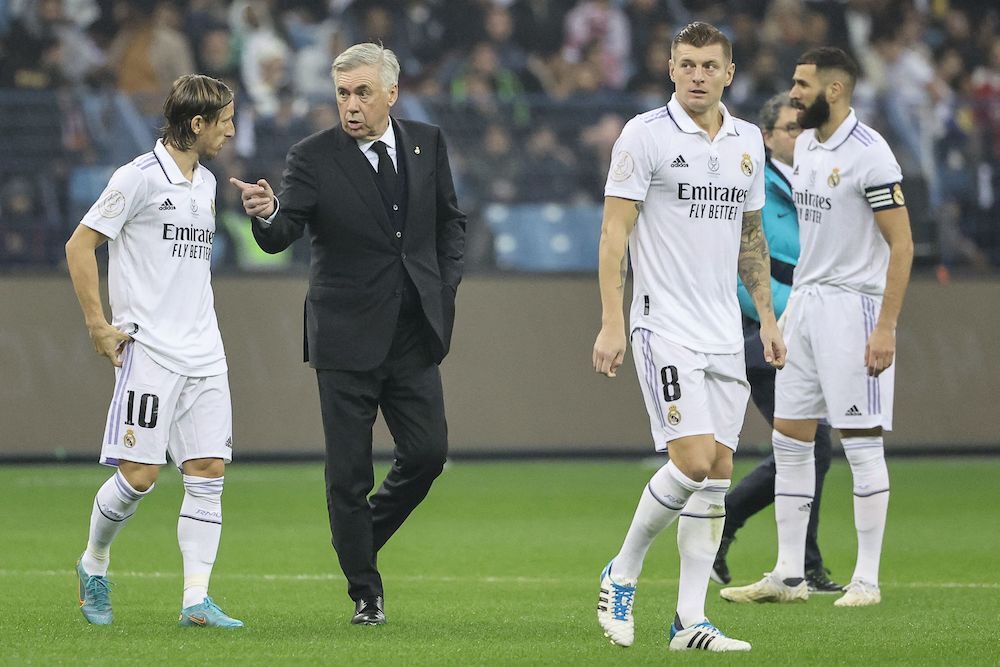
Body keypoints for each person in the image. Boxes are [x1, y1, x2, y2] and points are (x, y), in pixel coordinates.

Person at [229, 43, 465, 626]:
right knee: (348, 473)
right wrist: (264, 211)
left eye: (363, 93)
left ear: (392, 93)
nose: (351, 105)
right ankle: (366, 591)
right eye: (342, 94)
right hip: (344, 337)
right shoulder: (312, 157)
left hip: (412, 332)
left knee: (429, 454)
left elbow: (449, 222)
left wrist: (443, 287)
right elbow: (283, 232)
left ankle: (355, 540)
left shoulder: (426, 143)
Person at [592, 22, 785, 653]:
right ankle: (621, 573)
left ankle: (688, 621)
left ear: (729, 73)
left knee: (719, 473)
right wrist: (612, 321)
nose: (697, 75)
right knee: (693, 460)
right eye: (686, 64)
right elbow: (614, 235)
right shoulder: (643, 136)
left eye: (709, 65)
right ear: (670, 70)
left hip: (725, 333)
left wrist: (768, 316)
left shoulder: (748, 142)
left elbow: (750, 239)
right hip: (662, 325)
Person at [720, 47, 913, 608]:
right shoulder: (804, 146)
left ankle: (867, 580)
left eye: (802, 84)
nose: (794, 92)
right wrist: (780, 315)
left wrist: (886, 327)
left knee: (860, 442)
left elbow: (902, 245)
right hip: (805, 304)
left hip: (854, 310)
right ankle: (788, 575)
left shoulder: (871, 155)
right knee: (791, 437)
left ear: (834, 90)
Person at [65, 74, 242, 628]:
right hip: (151, 349)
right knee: (140, 475)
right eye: (226, 121)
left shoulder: (208, 184)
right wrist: (98, 323)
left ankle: (196, 599)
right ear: (197, 124)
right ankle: (93, 562)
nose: (232, 131)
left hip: (205, 351)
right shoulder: (137, 178)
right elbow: (80, 244)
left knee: (208, 470)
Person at [711, 93, 842, 594]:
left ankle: (780, 552)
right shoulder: (756, 185)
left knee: (807, 448)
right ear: (766, 137)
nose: (800, 136)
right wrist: (789, 314)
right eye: (790, 128)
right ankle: (801, 563)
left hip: (807, 326)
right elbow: (747, 267)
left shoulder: (815, 183)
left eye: (805, 129)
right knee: (807, 447)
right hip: (767, 331)